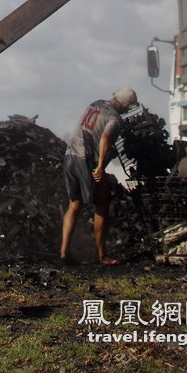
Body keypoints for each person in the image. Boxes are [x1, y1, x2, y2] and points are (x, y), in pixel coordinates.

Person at [60, 87, 138, 265]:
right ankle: (102, 256)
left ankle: (64, 251)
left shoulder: (95, 104)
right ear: (122, 104)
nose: (126, 110)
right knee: (102, 204)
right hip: (86, 160)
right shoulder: (115, 118)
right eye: (127, 107)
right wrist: (101, 166)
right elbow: (106, 137)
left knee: (74, 204)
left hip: (70, 155)